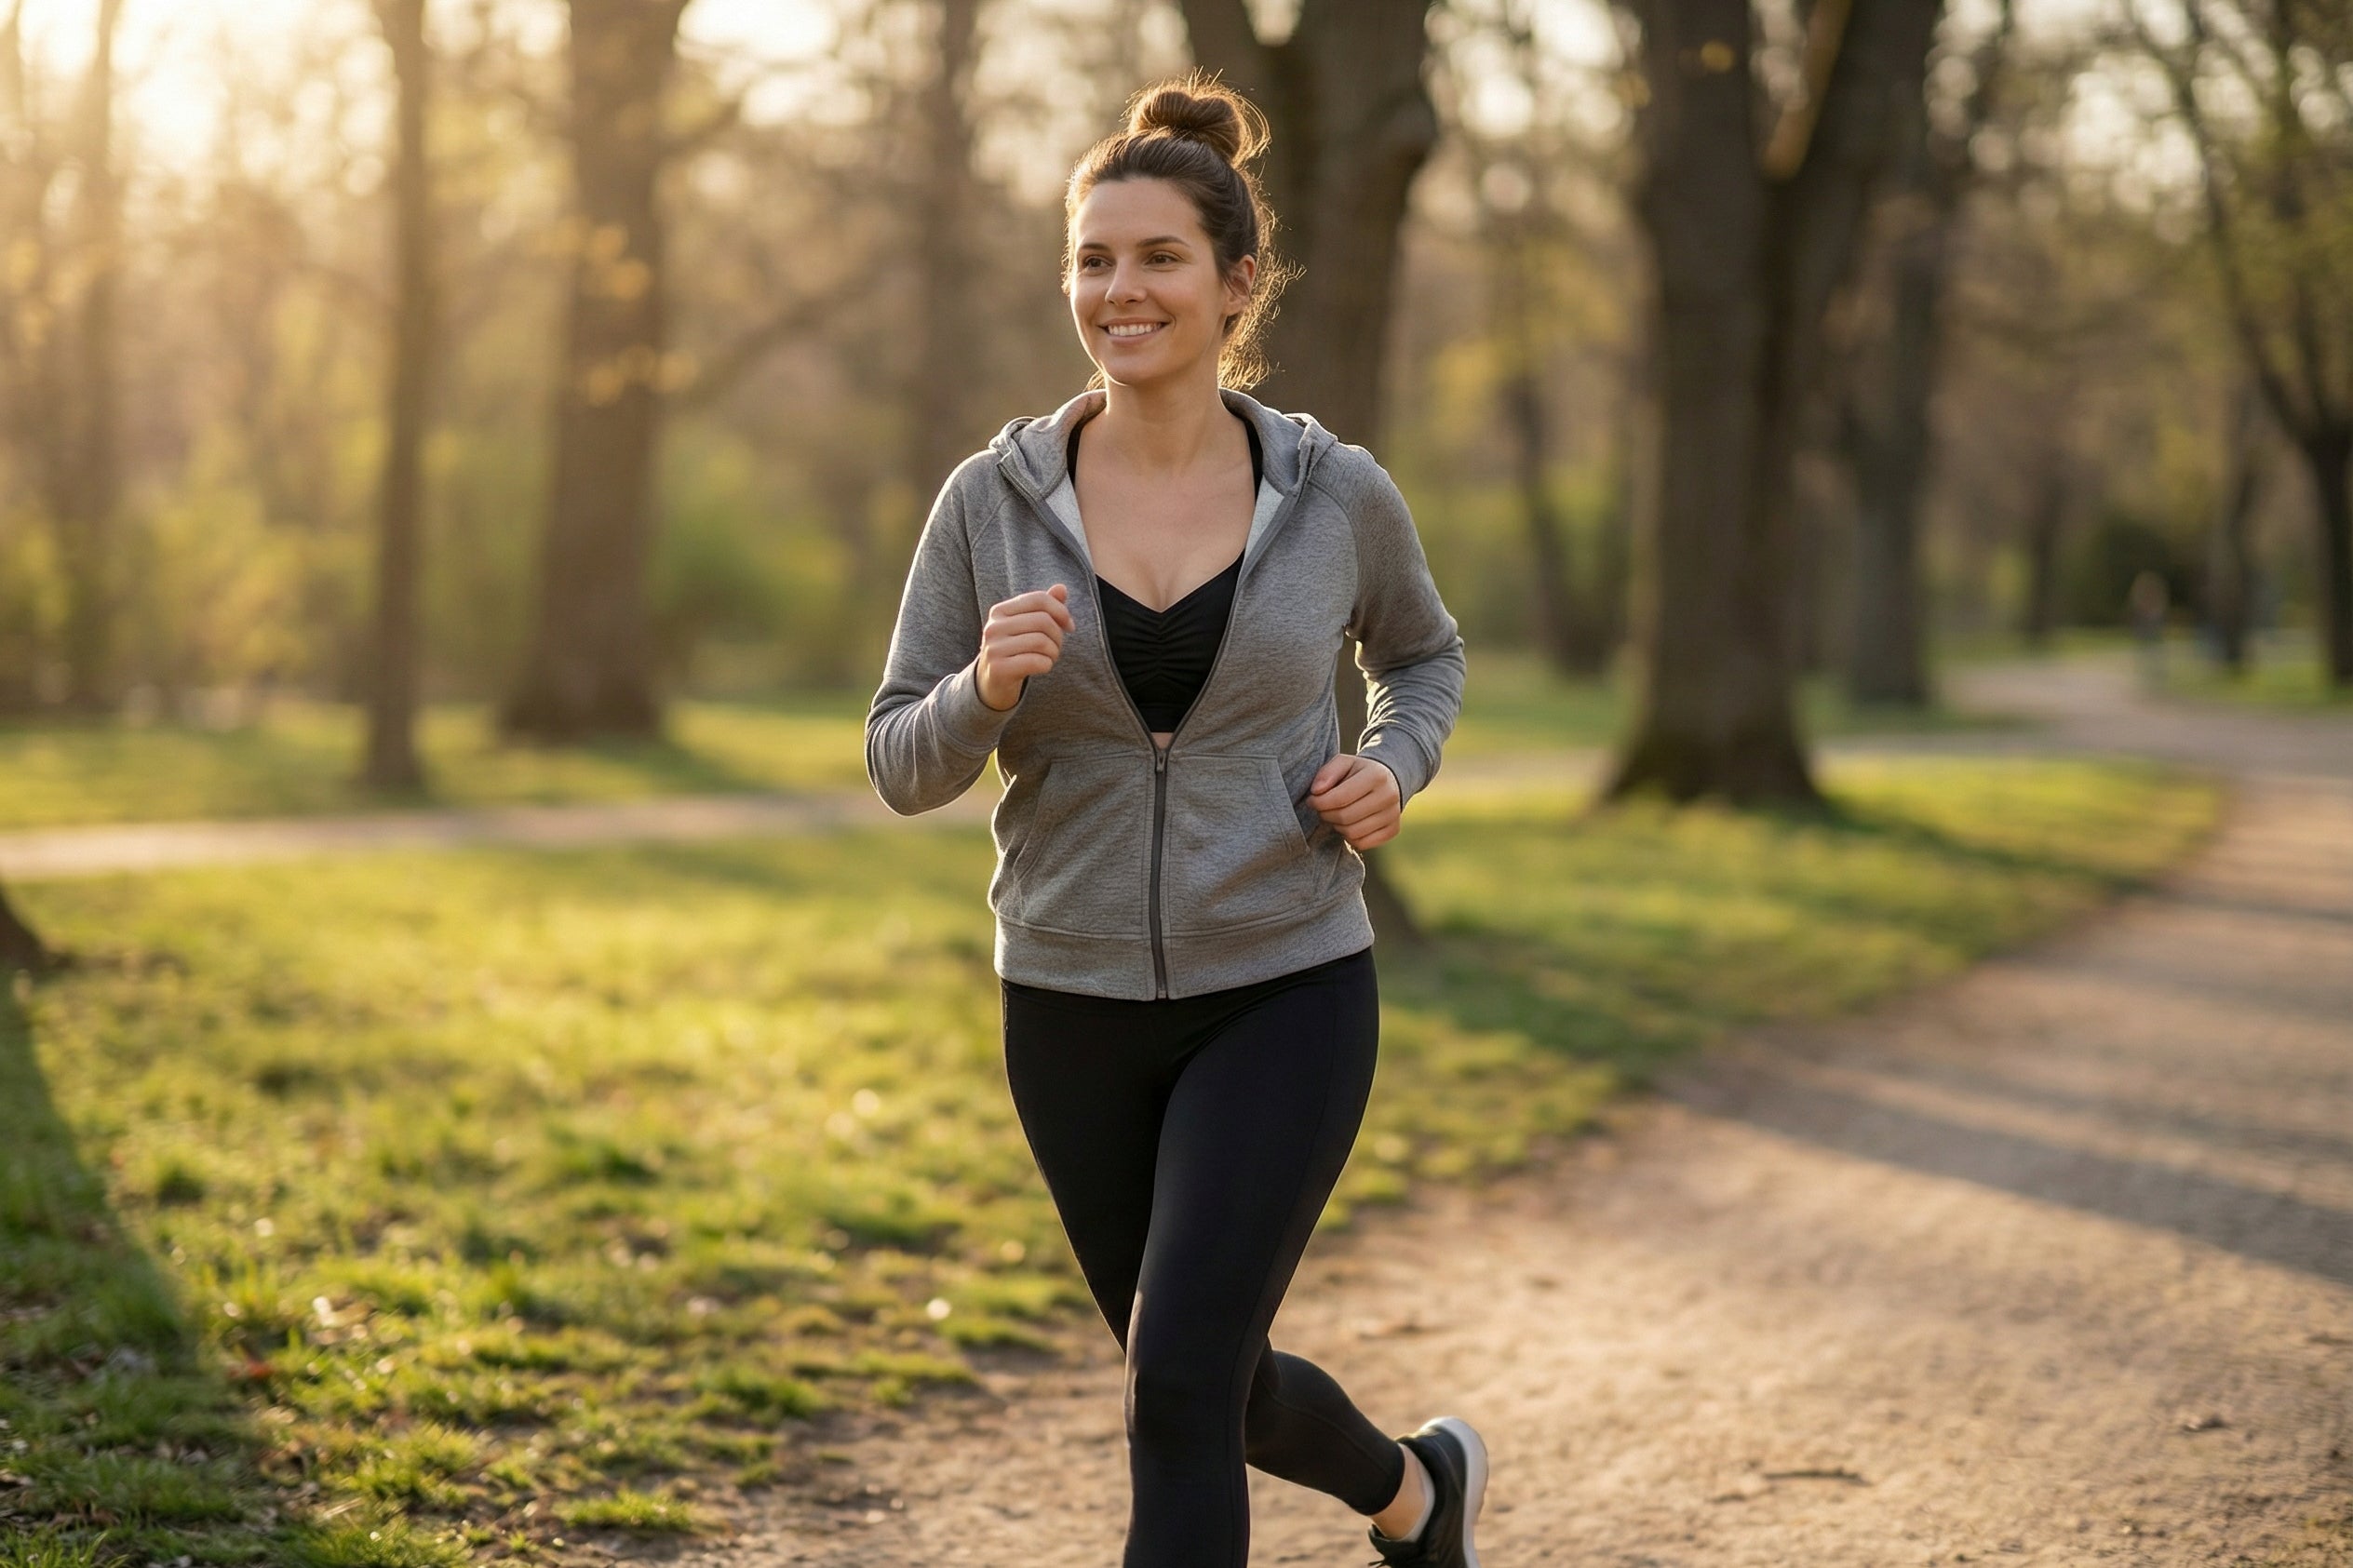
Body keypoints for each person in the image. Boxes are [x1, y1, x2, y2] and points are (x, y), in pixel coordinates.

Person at [864, 72, 1480, 1568]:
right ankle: (1417, 1492)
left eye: (1155, 258)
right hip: (1067, 1000)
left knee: (1179, 1385)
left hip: (1283, 980)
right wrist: (983, 694)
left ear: (1234, 283)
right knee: (1206, 1377)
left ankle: (1417, 1496)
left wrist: (1394, 766)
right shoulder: (988, 502)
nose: (1118, 290)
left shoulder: (1333, 494)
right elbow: (897, 757)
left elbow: (1426, 657)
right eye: (1092, 259)